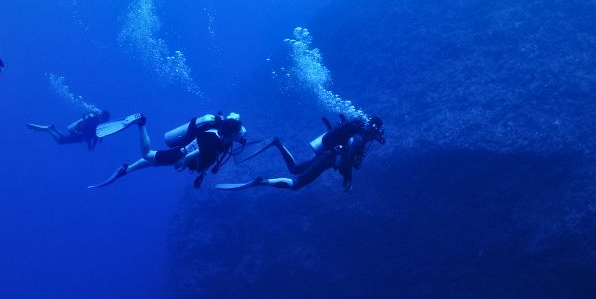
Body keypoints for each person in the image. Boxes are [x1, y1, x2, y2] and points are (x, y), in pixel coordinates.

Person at [217, 115, 384, 192]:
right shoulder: (359, 137)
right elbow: (349, 157)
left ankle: (278, 144)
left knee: (294, 169)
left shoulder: (358, 133)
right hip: (328, 159)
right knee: (296, 184)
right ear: (374, 130)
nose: (375, 138)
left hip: (326, 155)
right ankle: (261, 182)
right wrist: (348, 178)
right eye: (377, 134)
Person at [91, 112, 247, 189]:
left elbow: (208, 158)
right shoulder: (215, 141)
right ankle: (141, 122)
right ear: (231, 134)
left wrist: (201, 175)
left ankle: (127, 169)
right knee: (147, 154)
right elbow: (198, 153)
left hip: (181, 153)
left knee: (153, 162)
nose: (240, 137)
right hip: (179, 155)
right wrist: (183, 163)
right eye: (239, 135)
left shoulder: (221, 139)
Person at [27, 110, 110, 149]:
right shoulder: (92, 118)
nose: (104, 121)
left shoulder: (99, 123)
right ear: (101, 116)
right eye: (104, 119)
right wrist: (89, 143)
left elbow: (97, 135)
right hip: (78, 133)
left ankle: (53, 128)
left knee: (63, 138)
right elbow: (83, 127)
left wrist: (92, 144)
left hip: (80, 136)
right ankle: (49, 129)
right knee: (60, 141)